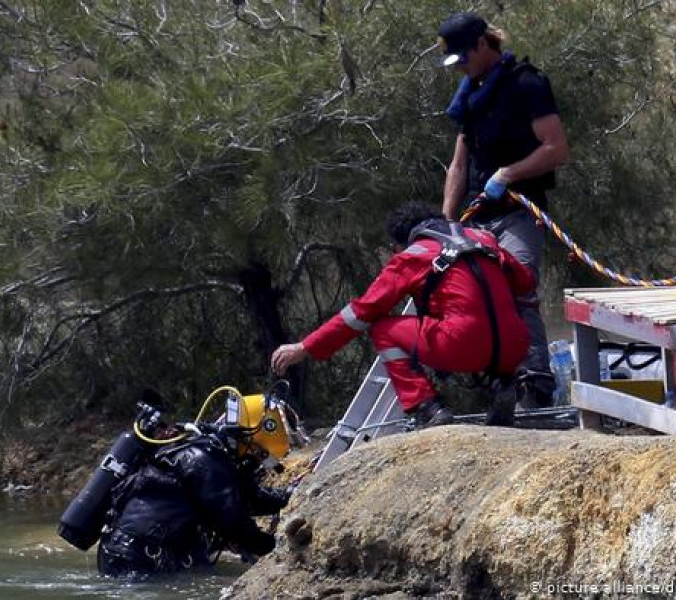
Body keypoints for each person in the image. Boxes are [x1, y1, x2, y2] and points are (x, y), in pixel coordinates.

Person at [271, 201, 536, 429]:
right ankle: (504, 386)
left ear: (401, 241)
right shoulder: (485, 240)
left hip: (461, 343)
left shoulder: (411, 256)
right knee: (496, 323)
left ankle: (427, 408)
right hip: (516, 345)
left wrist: (305, 347)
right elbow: (525, 282)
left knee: (382, 330)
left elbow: (360, 313)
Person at [438, 12, 569, 408]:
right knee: (472, 293)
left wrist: (508, 174)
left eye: (463, 57)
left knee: (518, 284)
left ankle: (537, 382)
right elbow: (459, 164)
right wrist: (446, 221)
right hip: (478, 215)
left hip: (519, 209)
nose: (459, 66)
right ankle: (499, 383)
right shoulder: (472, 94)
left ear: (482, 44)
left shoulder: (527, 84)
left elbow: (557, 149)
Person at [96, 396, 292, 577]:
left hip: (126, 553)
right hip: (137, 559)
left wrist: (290, 498)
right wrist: (279, 548)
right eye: (259, 456)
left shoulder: (202, 453)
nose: (257, 464)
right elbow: (234, 523)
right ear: (249, 440)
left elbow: (247, 497)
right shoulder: (205, 460)